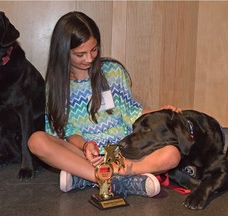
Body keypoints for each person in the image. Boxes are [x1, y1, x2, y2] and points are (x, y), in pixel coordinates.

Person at [28, 11, 181, 198]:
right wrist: (85, 146)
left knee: (172, 154)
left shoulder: (113, 71)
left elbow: (132, 111)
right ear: (63, 52)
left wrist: (162, 111)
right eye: (80, 54)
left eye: (94, 50)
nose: (89, 58)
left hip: (122, 154)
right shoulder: (56, 85)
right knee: (36, 141)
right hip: (83, 154)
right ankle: (114, 179)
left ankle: (90, 176)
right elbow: (65, 131)